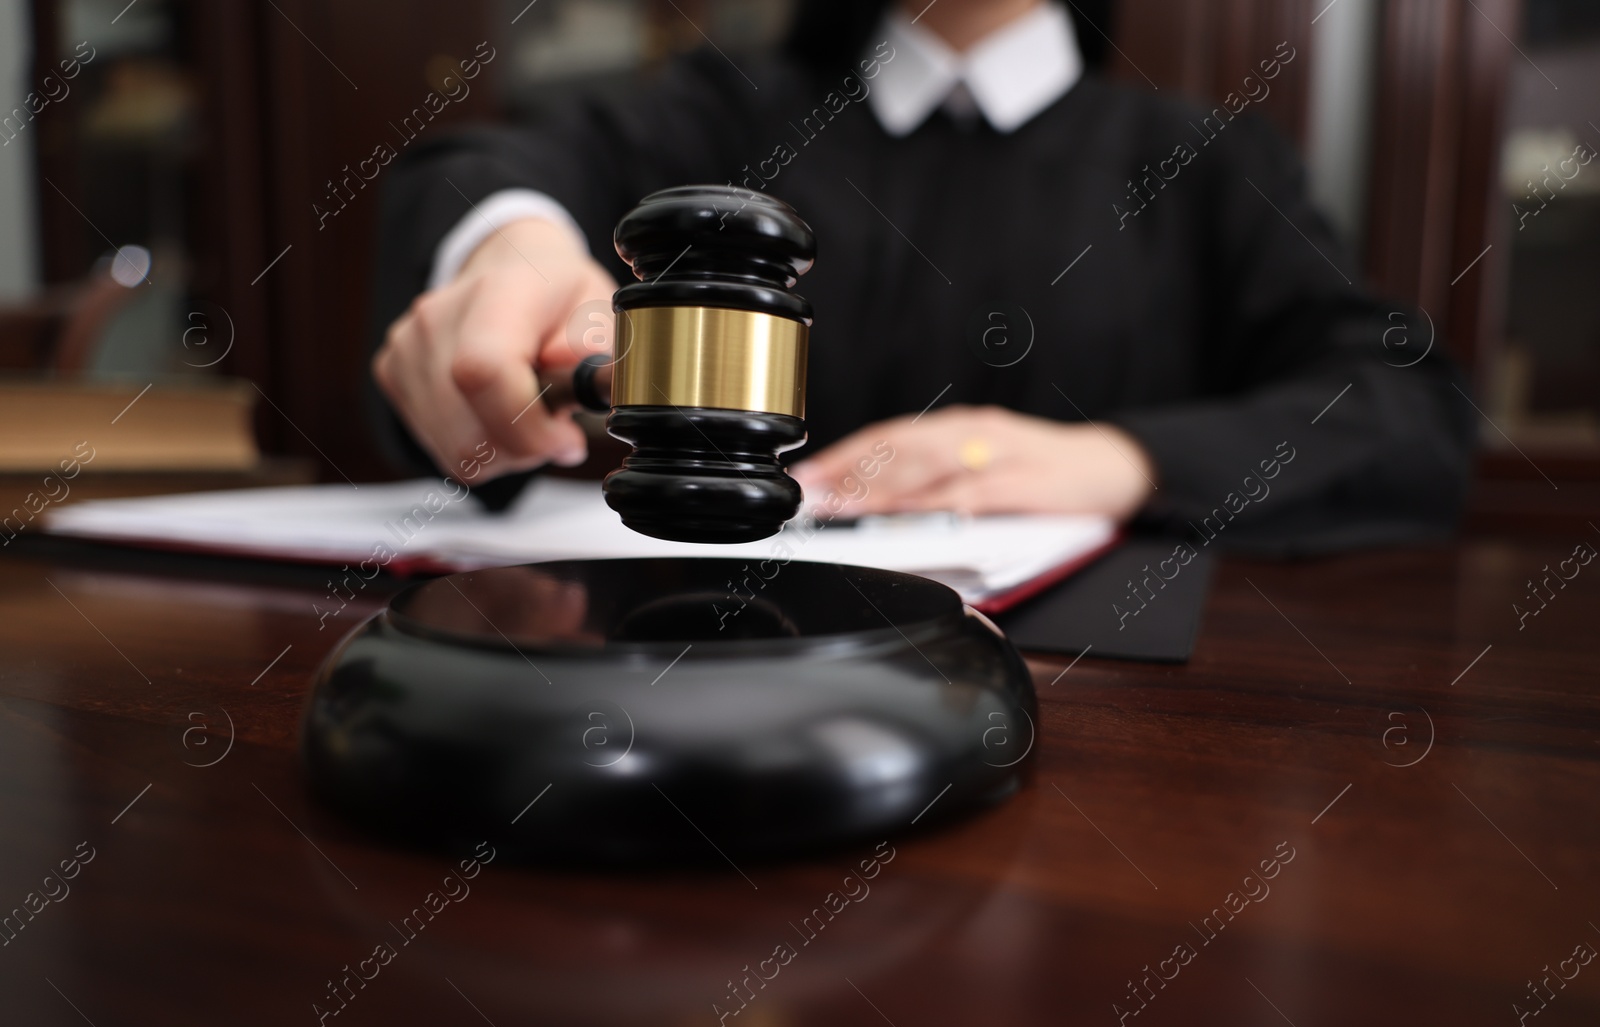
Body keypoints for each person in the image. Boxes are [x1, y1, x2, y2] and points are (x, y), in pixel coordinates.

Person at [368, 0, 1474, 554]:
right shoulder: (726, 109)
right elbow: (481, 168)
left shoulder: (1210, 162)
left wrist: (1119, 459)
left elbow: (1403, 400)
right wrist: (506, 245)